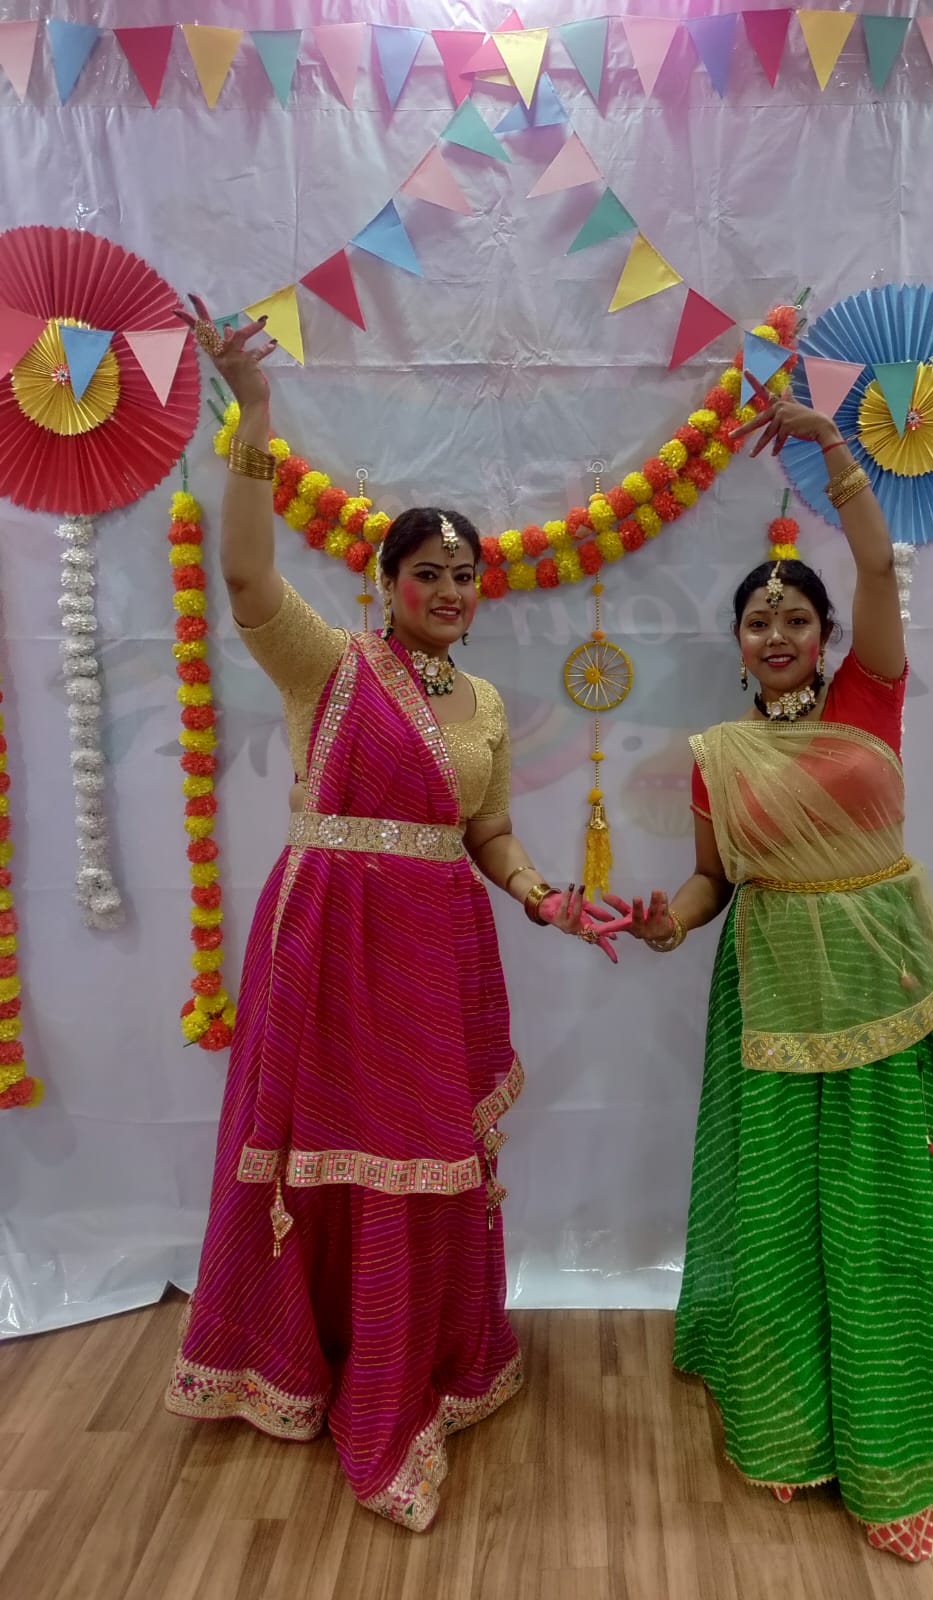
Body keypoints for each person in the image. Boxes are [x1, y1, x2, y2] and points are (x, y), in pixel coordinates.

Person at [613, 377, 933, 1563]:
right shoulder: (717, 755)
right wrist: (667, 925)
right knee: (790, 1196)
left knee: (906, 1188)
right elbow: (711, 882)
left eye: (796, 618)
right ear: (738, 647)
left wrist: (835, 451)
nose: (776, 634)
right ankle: (799, 1400)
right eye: (757, 622)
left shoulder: (869, 698)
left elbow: (879, 566)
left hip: (891, 985)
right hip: (776, 991)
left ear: (827, 638)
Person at [164, 300, 629, 1531]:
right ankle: (307, 1360)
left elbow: (484, 833)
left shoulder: (483, 704)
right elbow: (245, 574)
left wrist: (543, 897)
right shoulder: (329, 665)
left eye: (465, 576)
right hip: (328, 944)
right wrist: (255, 416)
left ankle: (408, 1361)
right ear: (387, 582)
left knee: (423, 1162)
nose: (450, 589)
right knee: (332, 1153)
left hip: (432, 951)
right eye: (428, 572)